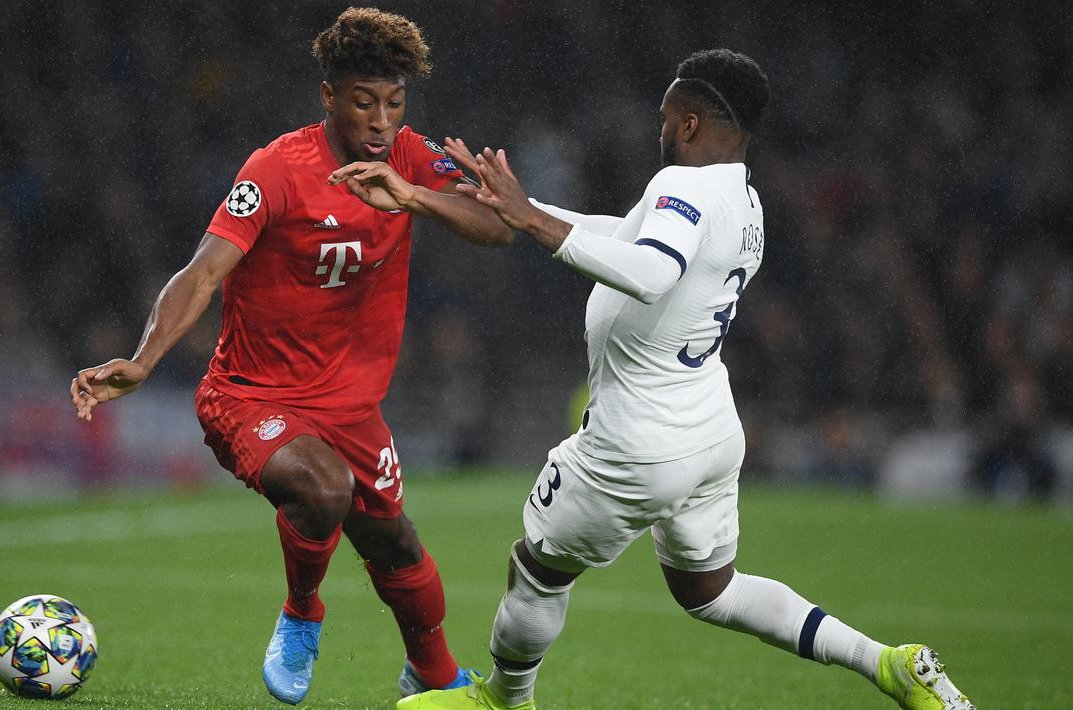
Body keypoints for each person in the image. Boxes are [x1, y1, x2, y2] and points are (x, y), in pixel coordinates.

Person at [392, 50, 973, 710]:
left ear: (691, 122)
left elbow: (648, 272)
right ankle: (891, 665)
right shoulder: (741, 197)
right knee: (712, 591)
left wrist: (531, 218)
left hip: (637, 438)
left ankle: (500, 700)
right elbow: (626, 236)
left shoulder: (683, 187)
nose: (658, 128)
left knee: (536, 567)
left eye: (664, 116)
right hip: (705, 429)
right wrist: (519, 205)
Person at [69, 8, 512, 706]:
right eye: (364, 101)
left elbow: (495, 225)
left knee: (394, 544)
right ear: (329, 96)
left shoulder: (411, 158)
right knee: (323, 489)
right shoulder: (276, 169)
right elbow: (202, 272)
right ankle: (302, 612)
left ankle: (434, 678)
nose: (380, 120)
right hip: (250, 396)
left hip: (351, 407)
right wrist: (144, 358)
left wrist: (415, 197)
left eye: (394, 103)